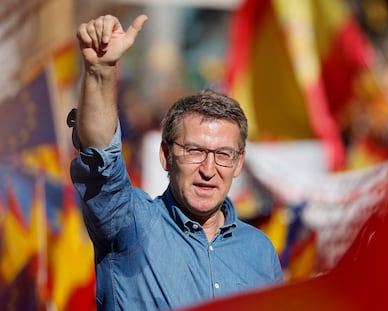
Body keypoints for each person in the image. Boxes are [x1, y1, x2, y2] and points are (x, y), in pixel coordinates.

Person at [70, 14, 283, 311]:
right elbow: (100, 156)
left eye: (223, 155)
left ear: (239, 163)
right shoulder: (128, 223)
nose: (209, 170)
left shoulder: (260, 251)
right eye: (194, 151)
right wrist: (100, 71)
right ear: (166, 156)